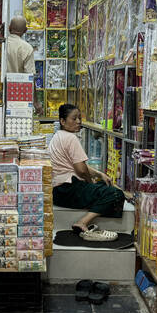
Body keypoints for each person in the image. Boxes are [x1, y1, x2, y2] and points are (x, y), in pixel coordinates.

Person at [48, 103, 125, 241]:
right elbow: (81, 170)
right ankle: (82, 222)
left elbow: (78, 165)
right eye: (74, 119)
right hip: (68, 190)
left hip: (58, 191)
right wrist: (90, 182)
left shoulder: (58, 136)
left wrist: (99, 174)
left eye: (79, 118)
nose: (78, 122)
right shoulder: (71, 138)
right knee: (116, 193)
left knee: (103, 184)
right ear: (62, 121)